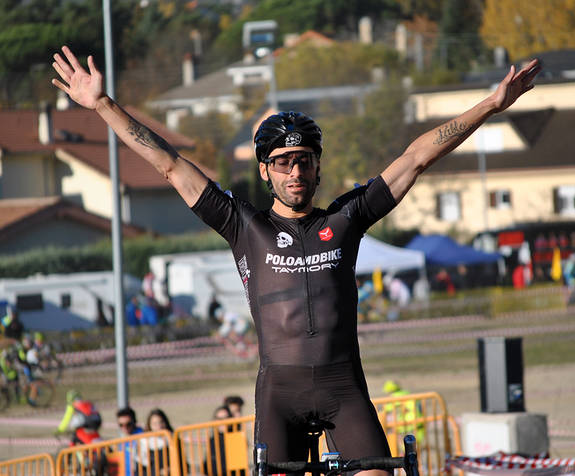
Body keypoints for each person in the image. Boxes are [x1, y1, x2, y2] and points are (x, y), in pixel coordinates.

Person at [51, 45, 540, 474]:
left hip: (344, 389)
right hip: (278, 395)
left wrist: (493, 105)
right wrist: (102, 105)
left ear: (317, 165)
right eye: (283, 162)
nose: (295, 171)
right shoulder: (244, 226)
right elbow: (169, 164)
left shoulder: (347, 219)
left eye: (304, 159)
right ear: (265, 170)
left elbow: (415, 157)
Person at [138, 408, 175, 476]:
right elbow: (141, 469)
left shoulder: (173, 438)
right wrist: (158, 472)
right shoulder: (144, 442)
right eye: (155, 424)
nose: (159, 426)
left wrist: (171, 469)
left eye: (161, 422)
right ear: (150, 425)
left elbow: (183, 463)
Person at [204, 406, 232, 476]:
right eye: (219, 419)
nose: (222, 421)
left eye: (226, 418)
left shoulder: (235, 438)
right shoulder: (212, 441)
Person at [116, 406, 144, 476]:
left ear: (134, 422)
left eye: (128, 424)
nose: (124, 428)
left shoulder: (143, 436)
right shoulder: (122, 441)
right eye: (121, 425)